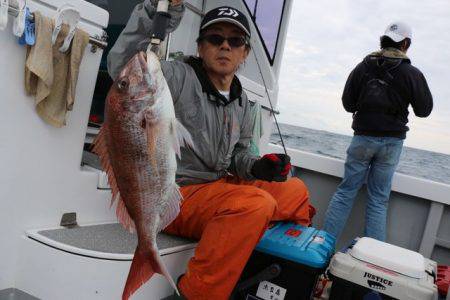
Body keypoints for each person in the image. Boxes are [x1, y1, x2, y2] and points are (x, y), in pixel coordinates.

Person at [107, 1, 315, 299]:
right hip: (174, 194)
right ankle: (196, 293)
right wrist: (158, 9)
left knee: (295, 191)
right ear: (201, 47)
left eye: (235, 41)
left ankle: (276, 262)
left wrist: (259, 167)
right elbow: (124, 67)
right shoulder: (175, 77)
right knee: (254, 204)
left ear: (244, 53)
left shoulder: (242, 101)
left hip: (215, 186)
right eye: (215, 38)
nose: (225, 47)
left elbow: (240, 156)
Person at [322, 22, 433, 242]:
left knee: (345, 193)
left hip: (362, 139)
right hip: (391, 144)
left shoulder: (362, 67)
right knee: (378, 200)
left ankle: (322, 249)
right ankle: (371, 259)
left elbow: (347, 103)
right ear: (406, 43)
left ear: (383, 40)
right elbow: (424, 110)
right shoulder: (412, 73)